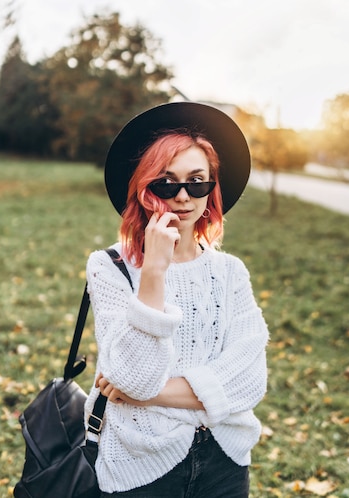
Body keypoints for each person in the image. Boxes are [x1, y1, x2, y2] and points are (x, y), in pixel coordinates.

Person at [84, 101, 269, 498]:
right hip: (140, 460)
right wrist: (153, 271)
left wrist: (146, 394)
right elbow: (135, 373)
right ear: (144, 188)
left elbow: (249, 380)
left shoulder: (230, 272)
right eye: (167, 184)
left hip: (225, 458)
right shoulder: (108, 267)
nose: (184, 197)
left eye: (197, 182)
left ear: (211, 188)